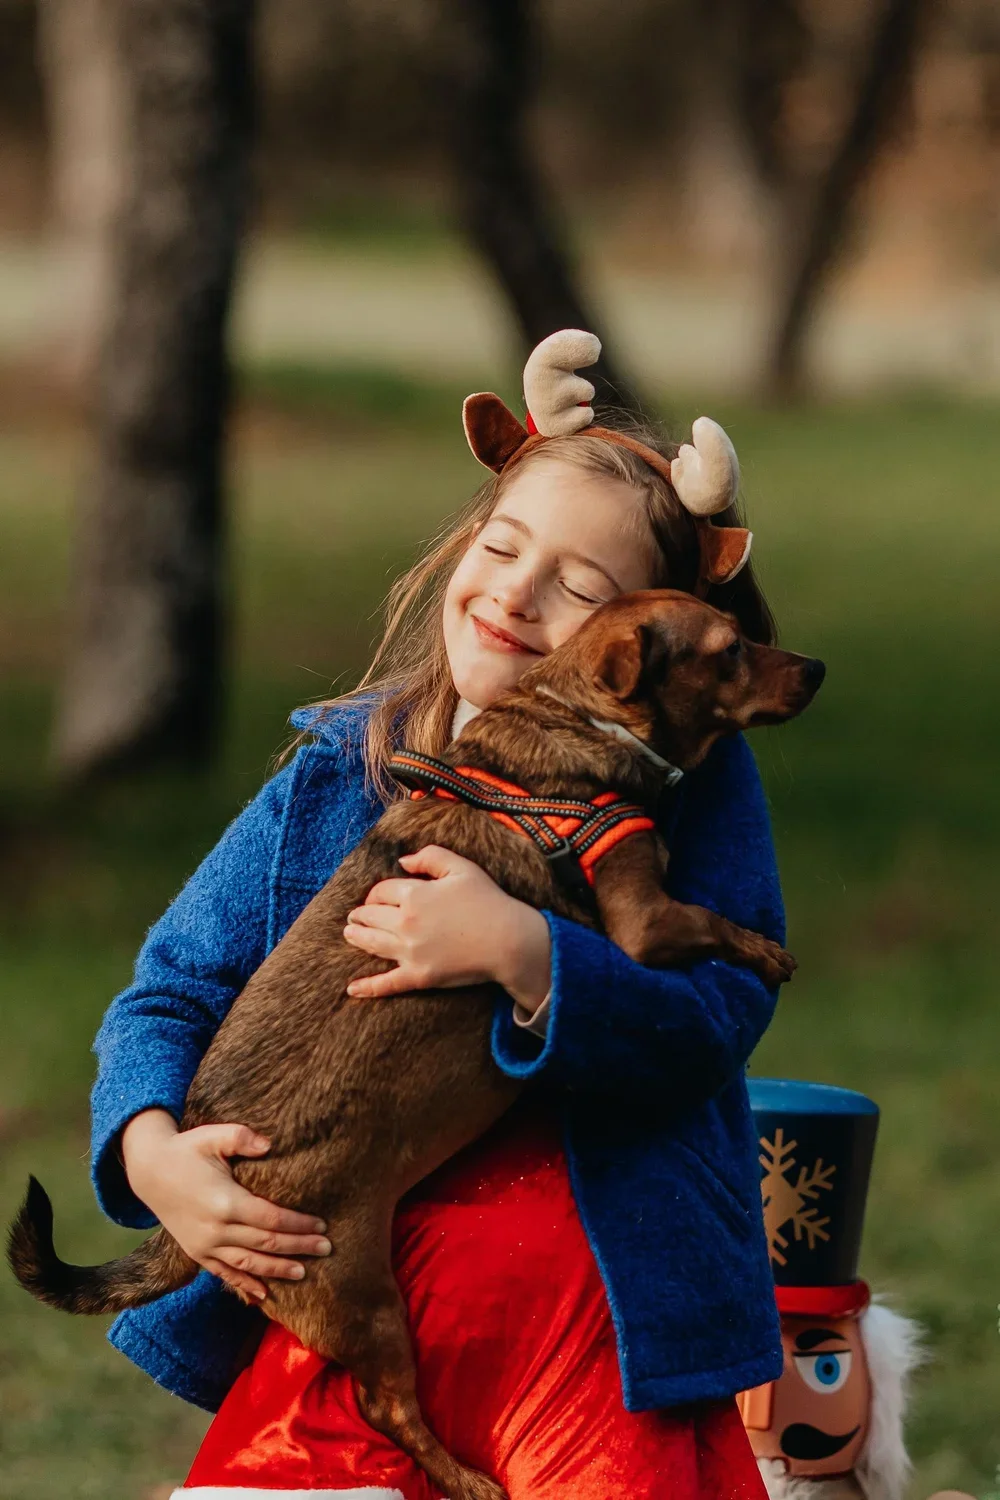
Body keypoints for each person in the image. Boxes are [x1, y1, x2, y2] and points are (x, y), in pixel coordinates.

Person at [90, 331, 789, 1499]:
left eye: (576, 588)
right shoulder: (338, 772)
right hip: (357, 1287)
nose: (515, 594)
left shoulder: (690, 795)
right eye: (501, 545)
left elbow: (718, 1016)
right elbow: (174, 984)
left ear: (650, 639)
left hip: (592, 1322)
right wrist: (152, 1152)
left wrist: (531, 959)